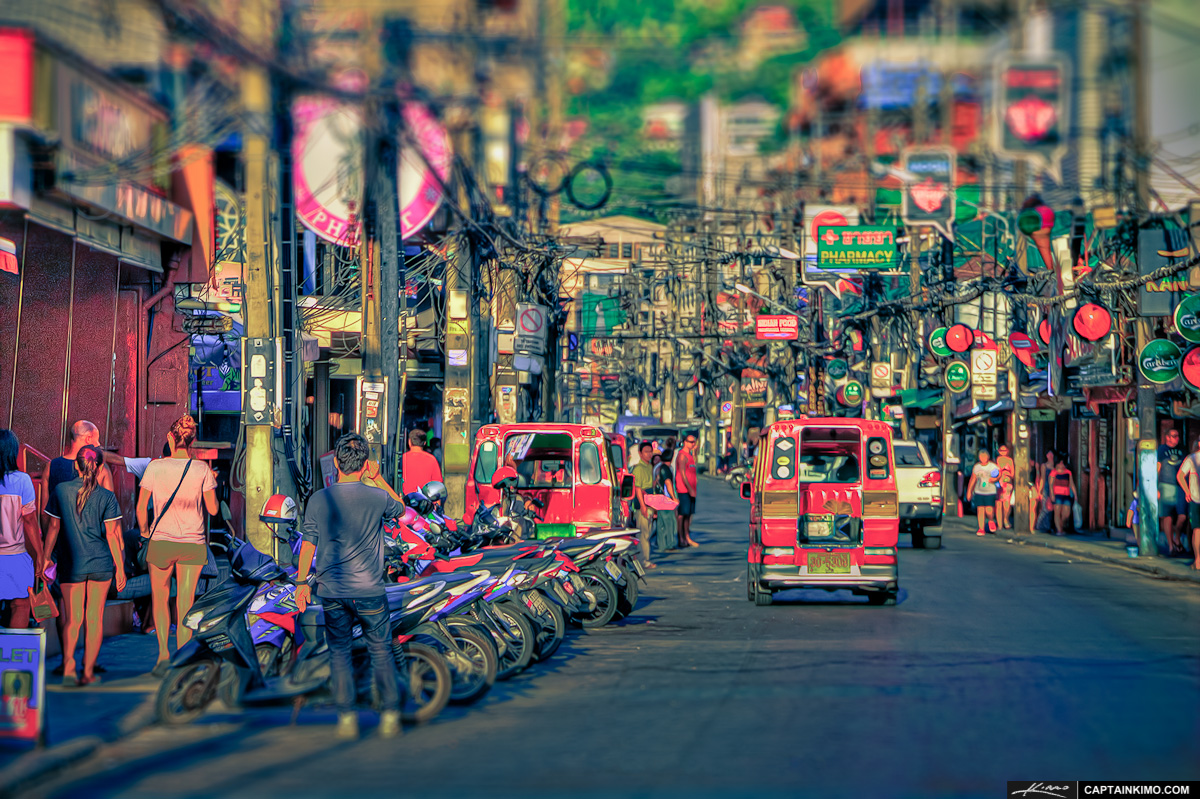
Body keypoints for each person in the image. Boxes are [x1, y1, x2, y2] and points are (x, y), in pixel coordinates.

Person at [295, 433, 404, 740]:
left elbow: (308, 544)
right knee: (381, 650)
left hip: (332, 591)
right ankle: (391, 715)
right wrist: (379, 477)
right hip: (370, 589)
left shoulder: (318, 499)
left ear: (336, 463)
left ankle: (346, 718)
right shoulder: (376, 496)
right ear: (364, 463)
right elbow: (402, 507)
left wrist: (301, 582)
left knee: (339, 652)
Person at [137, 415, 217, 676]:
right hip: (192, 544)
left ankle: (162, 656)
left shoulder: (155, 468)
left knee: (160, 600)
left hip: (160, 541)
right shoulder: (202, 469)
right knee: (186, 603)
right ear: (192, 441)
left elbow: (141, 508)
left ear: (171, 438)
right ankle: (183, 657)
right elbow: (213, 509)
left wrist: (145, 531)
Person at [43, 446, 126, 686]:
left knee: (73, 618)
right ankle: (87, 672)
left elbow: (53, 528)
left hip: (72, 564)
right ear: (100, 467)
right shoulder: (107, 497)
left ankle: (69, 667)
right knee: (94, 619)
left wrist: (46, 557)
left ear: (76, 466)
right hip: (101, 564)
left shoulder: (61, 490)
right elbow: (112, 535)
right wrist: (120, 568)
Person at [0, 429, 43, 629]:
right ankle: (11, 658)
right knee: (20, 605)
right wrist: (40, 555)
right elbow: (30, 521)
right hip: (14, 556)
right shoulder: (22, 480)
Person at [40, 420, 114, 531]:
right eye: (97, 439)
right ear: (88, 439)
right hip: (90, 541)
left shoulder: (51, 466)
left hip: (59, 542)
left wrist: (48, 543)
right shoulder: (100, 468)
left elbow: (44, 513)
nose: (98, 444)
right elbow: (110, 513)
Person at [1157, 428, 1188, 555]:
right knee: (1167, 515)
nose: (1176, 438)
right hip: (1165, 484)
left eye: (1177, 436)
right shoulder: (1161, 450)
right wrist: (1156, 487)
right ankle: (1171, 546)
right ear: (1167, 437)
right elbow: (1157, 468)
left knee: (1183, 515)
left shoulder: (1183, 449)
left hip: (1181, 486)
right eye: (1173, 436)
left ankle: (1177, 536)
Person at [631, 442, 657, 569]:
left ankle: (642, 558)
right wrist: (643, 506)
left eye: (650, 451)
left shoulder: (650, 467)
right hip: (643, 505)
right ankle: (643, 561)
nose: (649, 454)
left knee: (647, 533)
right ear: (640, 453)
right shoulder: (639, 468)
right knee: (643, 535)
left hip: (650, 504)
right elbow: (638, 488)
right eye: (646, 451)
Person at [1175, 437, 1200, 570]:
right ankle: (1198, 560)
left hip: (1195, 498)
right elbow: (1179, 476)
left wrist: (1187, 492)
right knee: (1197, 530)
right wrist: (1187, 491)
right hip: (1195, 498)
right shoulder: (1192, 458)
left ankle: (1198, 561)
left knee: (1197, 530)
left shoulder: (1191, 458)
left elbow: (1180, 475)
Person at [966, 449, 1000, 536]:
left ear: (988, 457)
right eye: (981, 456)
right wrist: (969, 491)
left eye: (984, 456)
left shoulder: (992, 466)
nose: (983, 458)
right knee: (980, 510)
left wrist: (995, 479)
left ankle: (991, 520)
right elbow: (973, 479)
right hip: (979, 491)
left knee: (989, 510)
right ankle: (981, 528)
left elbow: (999, 475)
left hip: (990, 491)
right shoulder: (977, 467)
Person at [401, 428, 442, 496]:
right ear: (424, 443)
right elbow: (437, 485)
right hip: (426, 502)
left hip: (405, 500)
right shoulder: (432, 459)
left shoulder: (402, 459)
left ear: (409, 442)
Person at [675, 434, 699, 548]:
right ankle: (681, 538)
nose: (692, 444)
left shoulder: (690, 455)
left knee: (688, 515)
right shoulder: (682, 455)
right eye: (690, 442)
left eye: (694, 442)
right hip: (684, 490)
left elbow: (693, 469)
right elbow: (682, 473)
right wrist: (689, 489)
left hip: (691, 489)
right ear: (685, 442)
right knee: (682, 515)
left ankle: (687, 536)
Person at [653, 446, 679, 551]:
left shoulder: (658, 468)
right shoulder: (666, 469)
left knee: (661, 523)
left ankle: (661, 544)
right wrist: (674, 497)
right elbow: (668, 483)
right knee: (669, 522)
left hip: (659, 498)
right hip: (666, 499)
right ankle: (669, 544)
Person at [1049, 456, 1076, 536]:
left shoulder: (1068, 472)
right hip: (1057, 494)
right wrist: (1052, 495)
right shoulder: (1053, 472)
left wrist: (1075, 494)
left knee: (1066, 513)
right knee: (1057, 512)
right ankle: (1059, 530)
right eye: (1059, 463)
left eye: (1062, 463)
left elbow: (1071, 484)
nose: (1061, 464)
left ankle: (1061, 525)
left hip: (1066, 494)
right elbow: (1051, 485)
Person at [995, 445, 1015, 530]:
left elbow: (1013, 473)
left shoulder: (1010, 460)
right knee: (998, 503)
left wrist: (1008, 474)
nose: (1003, 452)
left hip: (1007, 483)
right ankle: (999, 524)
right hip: (998, 482)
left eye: (1005, 450)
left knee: (1006, 503)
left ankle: (1005, 519)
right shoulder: (996, 460)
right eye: (1001, 450)